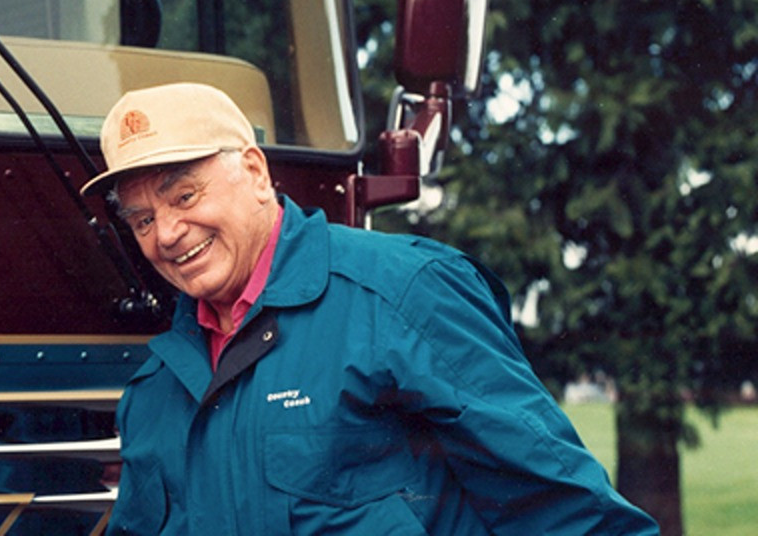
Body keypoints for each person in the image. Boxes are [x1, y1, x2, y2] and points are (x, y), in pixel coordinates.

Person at [80, 83, 658, 535]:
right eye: (142, 219)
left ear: (255, 172)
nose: (169, 233)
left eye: (184, 196)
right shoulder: (156, 388)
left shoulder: (404, 295)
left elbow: (560, 510)